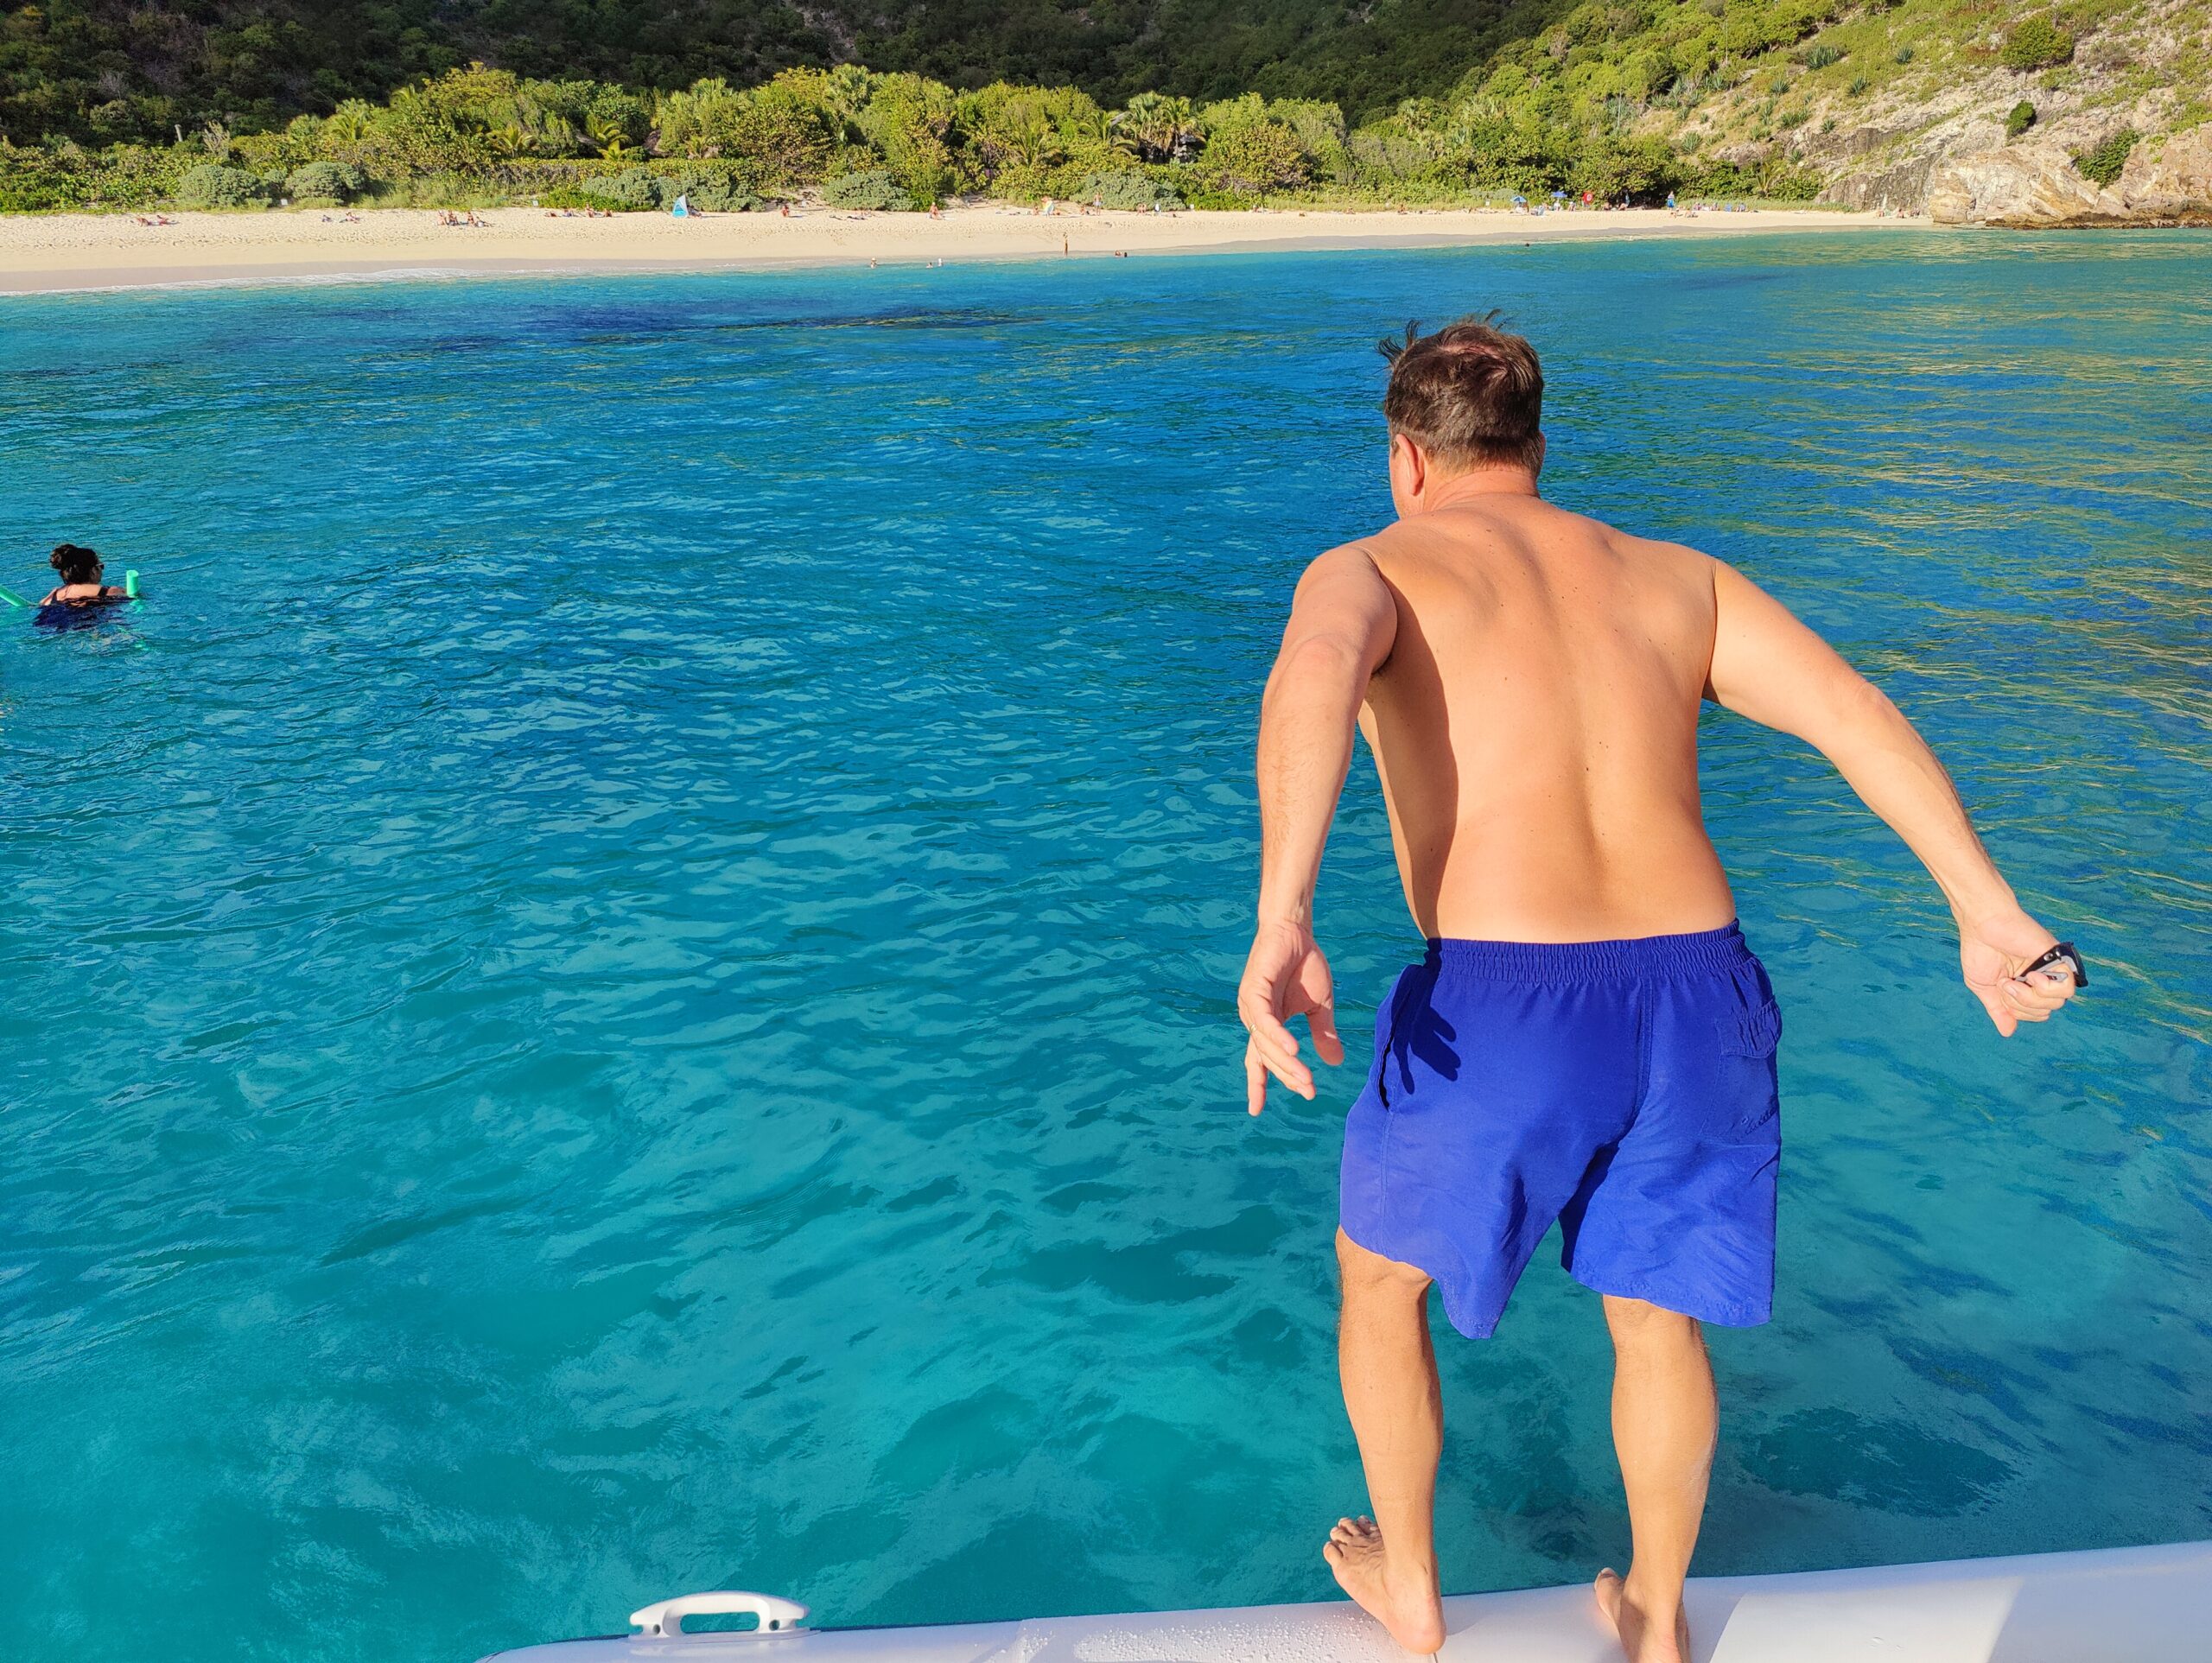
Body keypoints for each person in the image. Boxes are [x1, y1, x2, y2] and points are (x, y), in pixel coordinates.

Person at [1236, 318, 2080, 1663]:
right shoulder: (1680, 576)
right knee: (1656, 1312)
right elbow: (1850, 709)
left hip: (1507, 997)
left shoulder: (1372, 566)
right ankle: (1655, 1611)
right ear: (1538, 447)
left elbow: (1317, 678)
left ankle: (1414, 1585)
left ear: (1405, 457)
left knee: (1378, 1277)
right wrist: (1987, 911)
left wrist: (1285, 912)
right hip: (1699, 992)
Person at [38, 543, 130, 611]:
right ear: (93, 570)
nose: (102, 570)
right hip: (85, 621)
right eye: (101, 566)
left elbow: (40, 606)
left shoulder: (53, 595)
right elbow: (133, 597)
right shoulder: (108, 591)